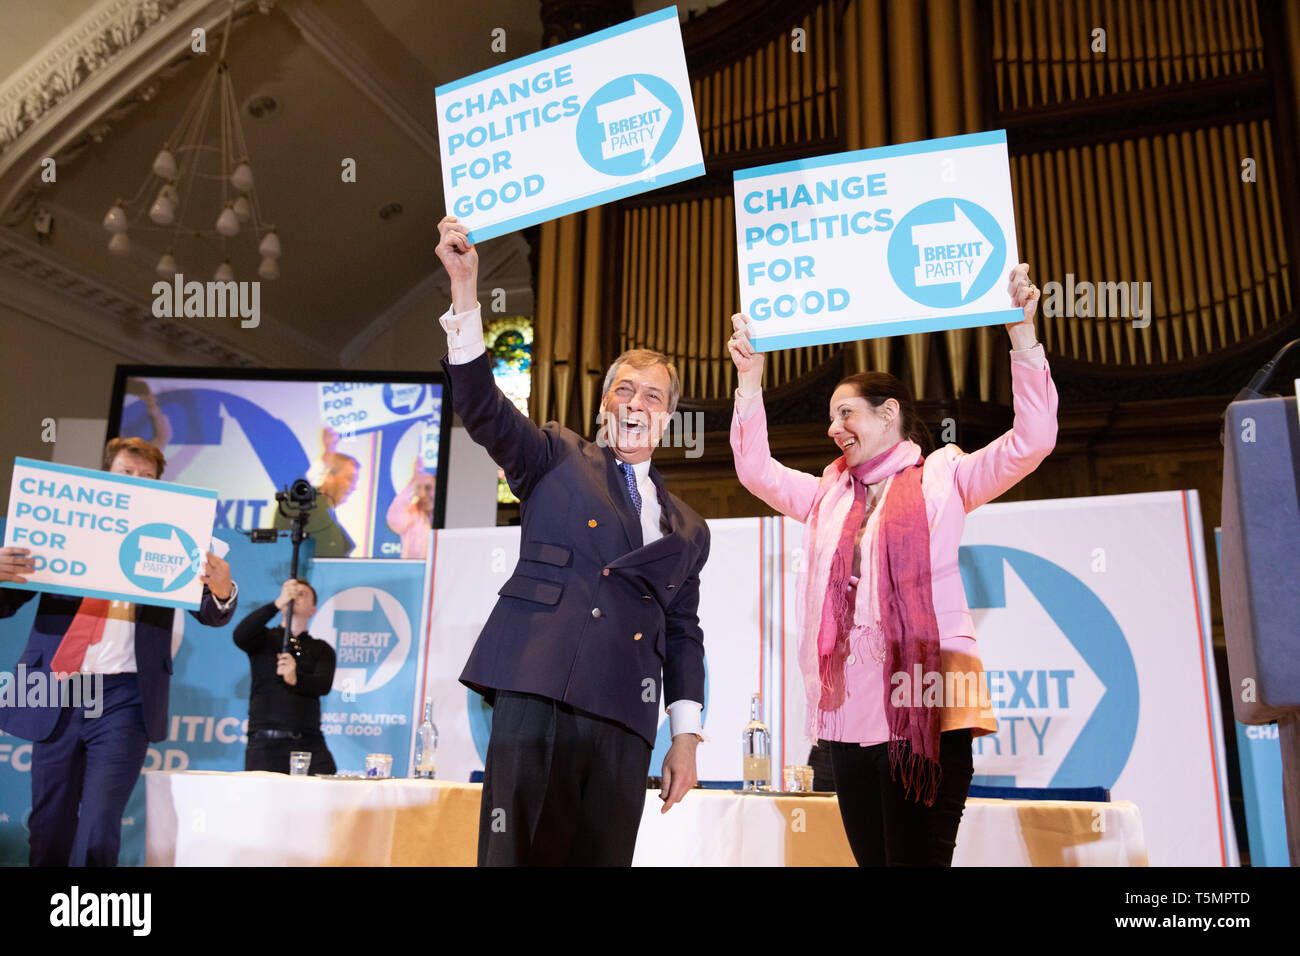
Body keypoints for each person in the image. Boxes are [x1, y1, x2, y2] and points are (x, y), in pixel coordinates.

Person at [728, 264, 1058, 866]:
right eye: (831, 417)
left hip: (925, 696)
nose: (833, 428)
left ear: (889, 414)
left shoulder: (947, 475)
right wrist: (750, 383)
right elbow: (756, 472)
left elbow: (1032, 440)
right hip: (850, 712)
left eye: (846, 413)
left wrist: (1023, 338)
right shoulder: (827, 495)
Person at [435, 215, 710, 866]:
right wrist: (466, 292)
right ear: (605, 403)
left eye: (653, 394)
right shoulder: (555, 453)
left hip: (625, 718)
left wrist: (687, 738)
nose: (638, 402)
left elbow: (683, 634)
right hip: (538, 690)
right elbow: (482, 409)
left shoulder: (689, 528)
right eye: (625, 388)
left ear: (667, 416)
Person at [0, 437, 238, 866]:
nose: (135, 482)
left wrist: (222, 591)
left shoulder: (169, 539)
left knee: (100, 823)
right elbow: (4, 604)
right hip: (53, 685)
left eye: (146, 478)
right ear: (104, 478)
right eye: (126, 474)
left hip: (124, 696)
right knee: (48, 824)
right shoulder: (63, 527)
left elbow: (213, 612)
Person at [233, 578, 336, 775]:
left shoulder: (321, 649)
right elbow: (240, 635)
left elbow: (323, 685)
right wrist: (276, 603)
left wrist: (296, 678)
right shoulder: (264, 639)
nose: (294, 596)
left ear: (313, 609)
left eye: (302, 594)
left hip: (307, 741)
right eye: (291, 592)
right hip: (264, 743)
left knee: (323, 797)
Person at [275, 428, 358, 557]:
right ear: (328, 476)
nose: (354, 487)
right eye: (350, 479)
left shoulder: (327, 513)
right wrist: (328, 452)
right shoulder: (300, 501)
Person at [386, 458, 435, 559]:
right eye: (418, 488)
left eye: (428, 488)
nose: (422, 494)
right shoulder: (412, 513)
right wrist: (414, 480)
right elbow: (394, 521)